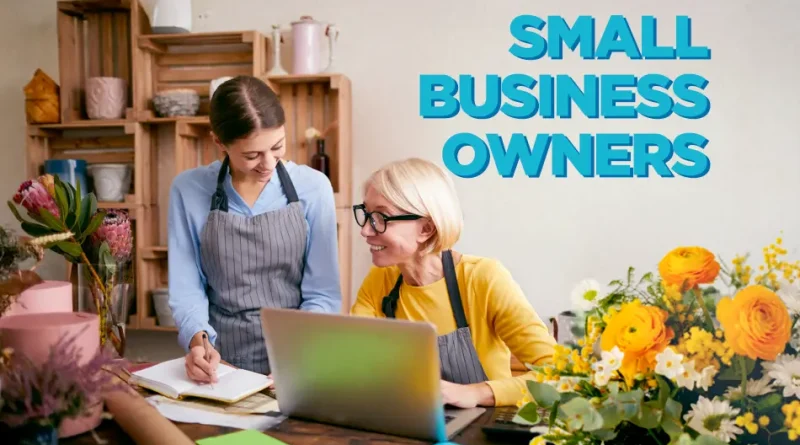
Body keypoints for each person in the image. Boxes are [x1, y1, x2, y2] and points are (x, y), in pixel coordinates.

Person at [167, 75, 342, 382]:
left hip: (298, 358)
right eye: (251, 155)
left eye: (277, 147)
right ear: (219, 142)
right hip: (221, 368)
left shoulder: (313, 187)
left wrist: (297, 356)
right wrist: (200, 343)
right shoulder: (188, 189)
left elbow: (323, 293)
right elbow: (186, 288)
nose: (269, 164)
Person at [350, 158, 556, 408]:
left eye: (381, 217)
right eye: (367, 214)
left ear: (426, 228)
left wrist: (474, 393)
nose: (366, 231)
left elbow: (557, 375)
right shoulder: (381, 280)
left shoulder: (483, 278)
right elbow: (355, 361)